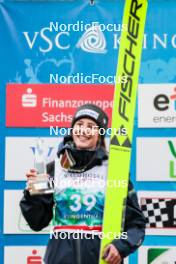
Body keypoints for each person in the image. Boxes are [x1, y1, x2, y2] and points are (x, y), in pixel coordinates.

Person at [20, 104, 146, 264]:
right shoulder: (53, 168)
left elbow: (136, 224)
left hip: (101, 259)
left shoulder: (114, 171)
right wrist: (33, 194)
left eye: (91, 126)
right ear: (72, 130)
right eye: (79, 125)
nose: (83, 130)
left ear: (100, 135)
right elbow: (37, 222)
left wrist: (120, 247)